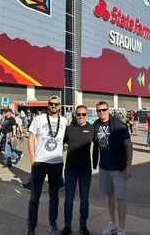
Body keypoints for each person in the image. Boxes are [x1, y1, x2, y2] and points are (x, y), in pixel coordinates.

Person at [27, 95, 67, 235]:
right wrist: (33, 160)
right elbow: (31, 139)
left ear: (60, 106)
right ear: (48, 105)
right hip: (40, 163)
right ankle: (31, 228)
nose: (54, 106)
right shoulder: (38, 119)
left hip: (56, 163)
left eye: (56, 104)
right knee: (34, 197)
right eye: (51, 104)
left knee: (54, 196)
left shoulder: (64, 121)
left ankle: (53, 224)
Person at [93, 101, 133, 235]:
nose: (101, 113)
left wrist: (128, 166)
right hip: (104, 167)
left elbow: (128, 145)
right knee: (109, 195)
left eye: (104, 110)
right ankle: (112, 224)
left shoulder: (119, 125)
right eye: (99, 111)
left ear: (108, 110)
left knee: (120, 197)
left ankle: (122, 228)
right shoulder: (96, 125)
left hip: (118, 168)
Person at [62, 105, 94, 235]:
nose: (81, 117)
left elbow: (98, 147)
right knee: (68, 200)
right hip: (70, 169)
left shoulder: (92, 129)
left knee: (84, 200)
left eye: (83, 114)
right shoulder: (69, 129)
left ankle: (83, 225)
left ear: (87, 115)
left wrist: (96, 163)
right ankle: (67, 226)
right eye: (78, 114)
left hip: (85, 170)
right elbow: (59, 143)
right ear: (75, 115)